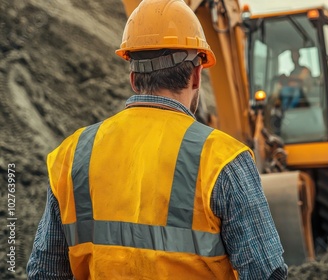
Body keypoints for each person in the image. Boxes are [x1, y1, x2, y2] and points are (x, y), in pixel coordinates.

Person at [26, 0, 288, 279]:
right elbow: (265, 272)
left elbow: (45, 272)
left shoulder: (73, 153)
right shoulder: (224, 159)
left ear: (133, 77)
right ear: (197, 76)